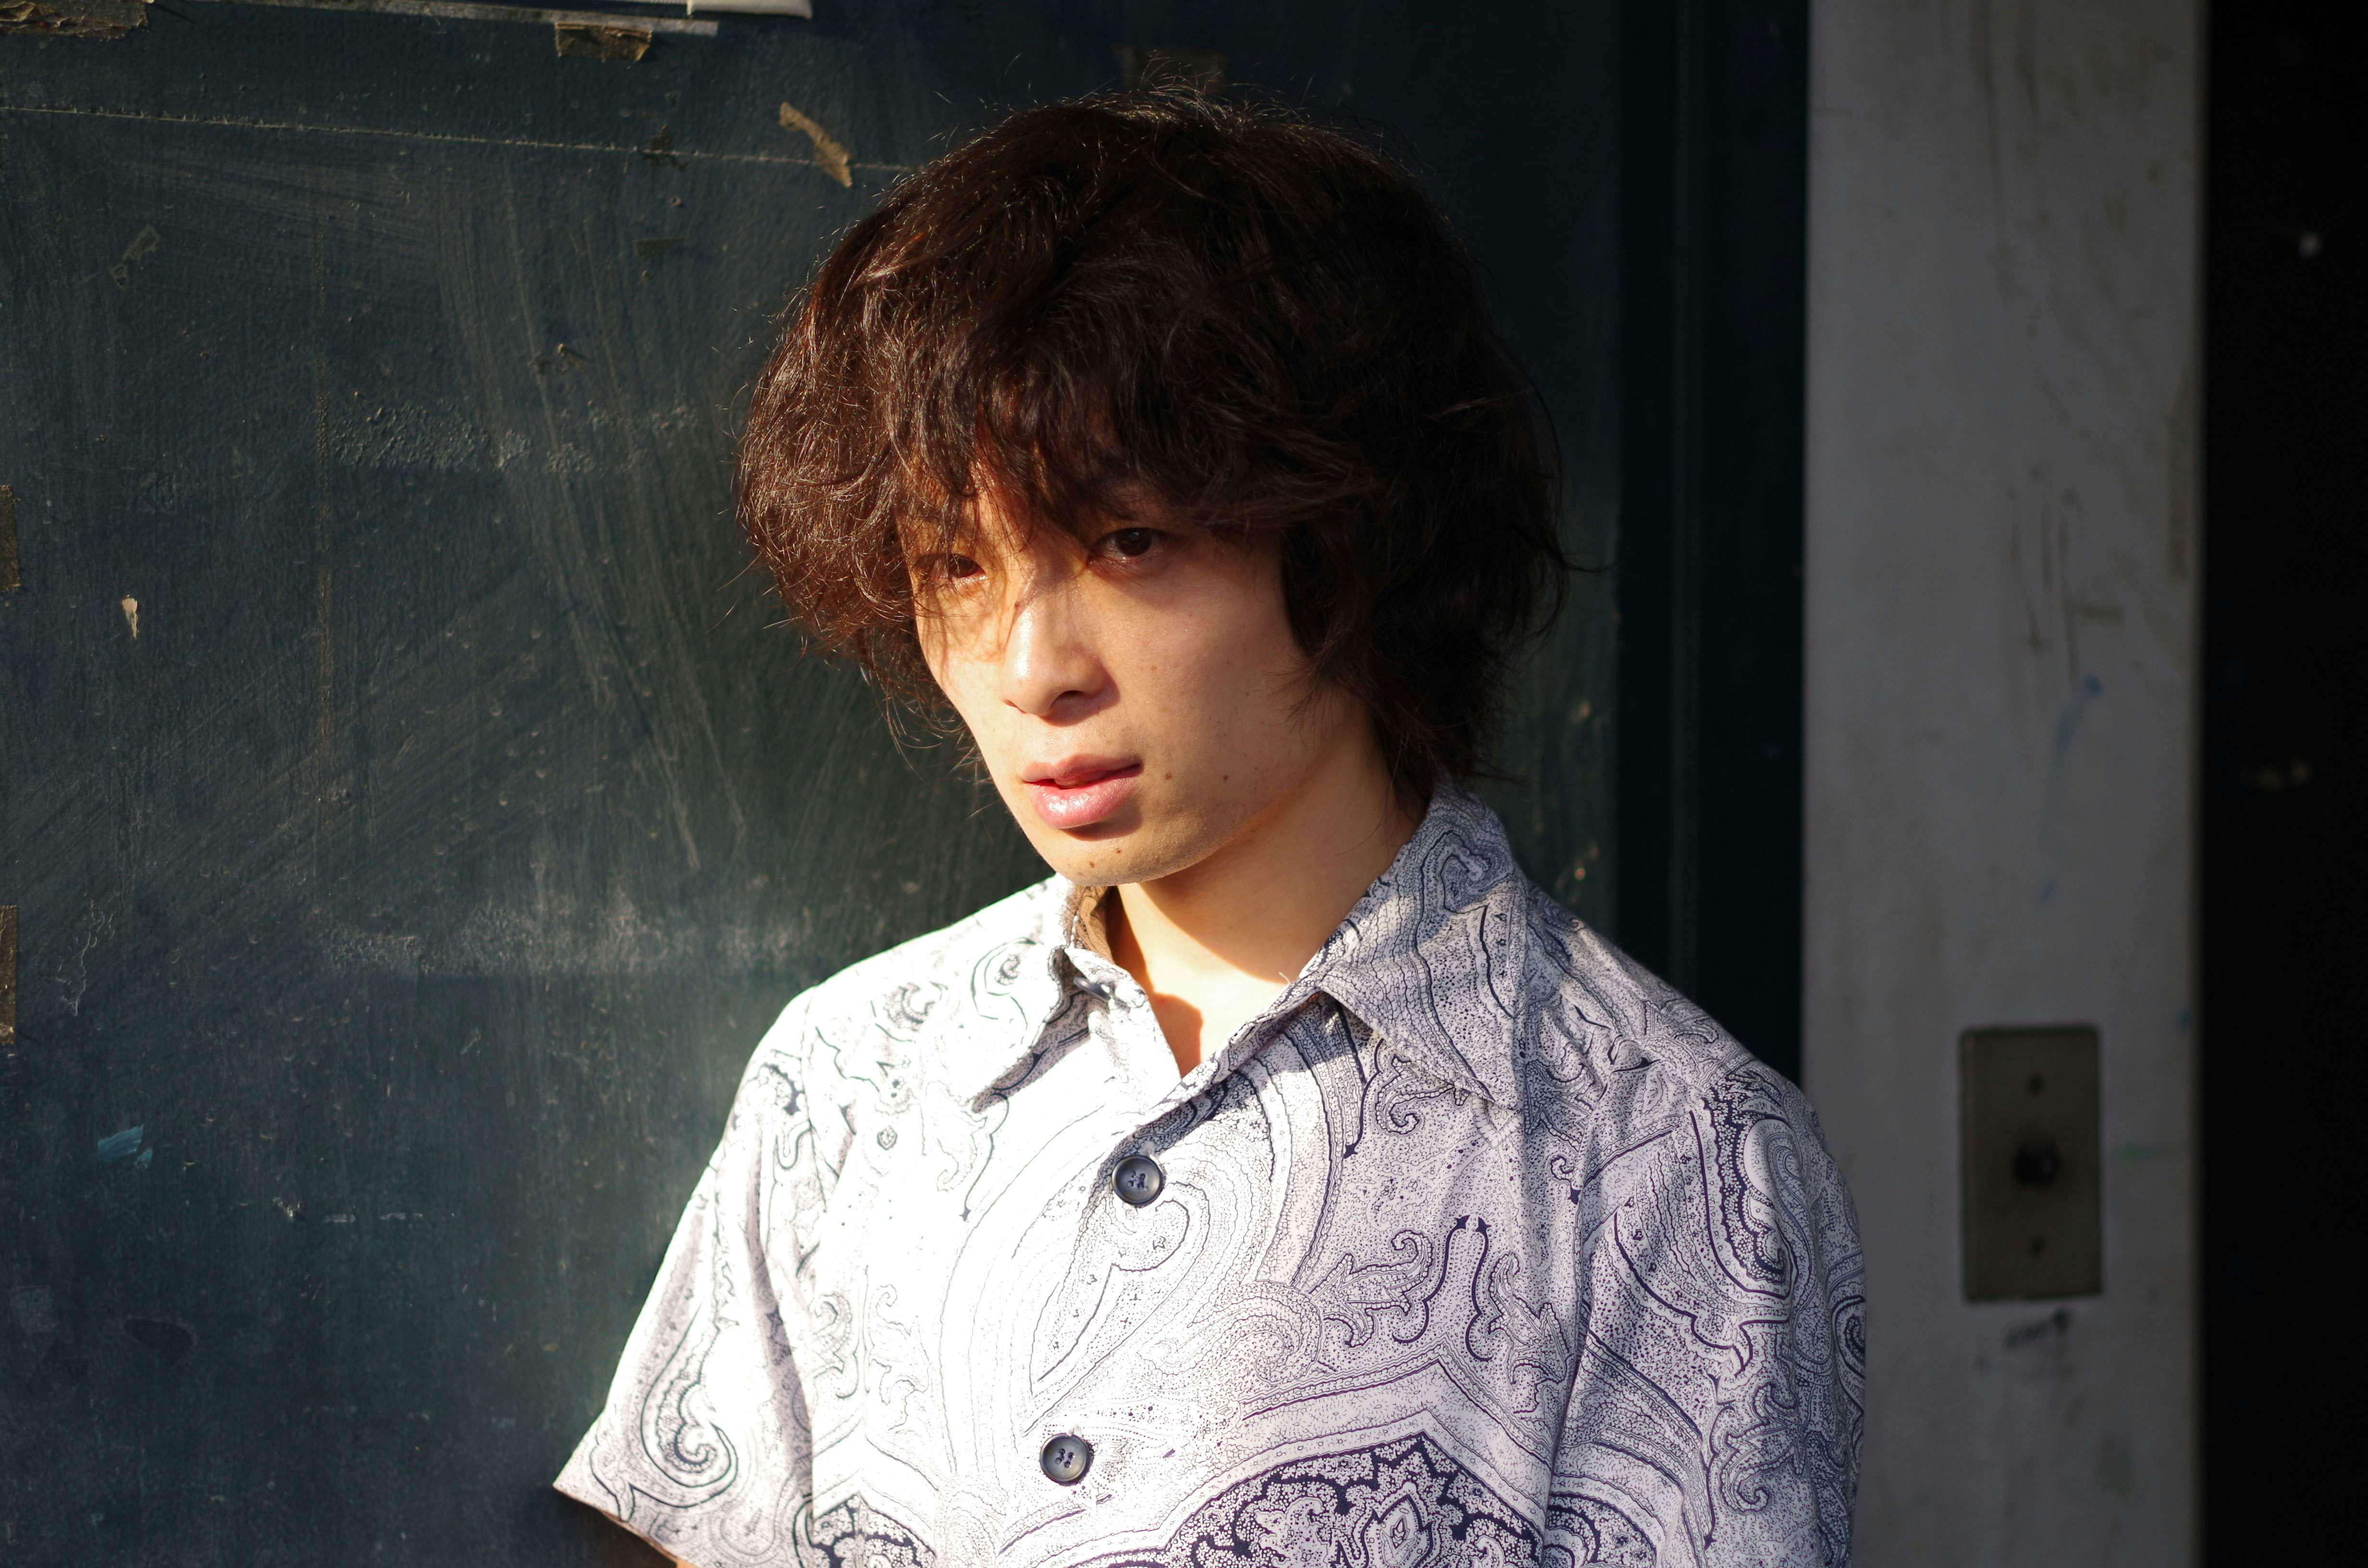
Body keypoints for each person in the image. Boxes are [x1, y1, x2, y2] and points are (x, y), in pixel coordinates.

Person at [555, 90, 1863, 1568]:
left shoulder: (1670, 1156)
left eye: (1130, 543)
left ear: (1350, 539)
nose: (1031, 667)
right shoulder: (850, 1075)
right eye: (956, 564)